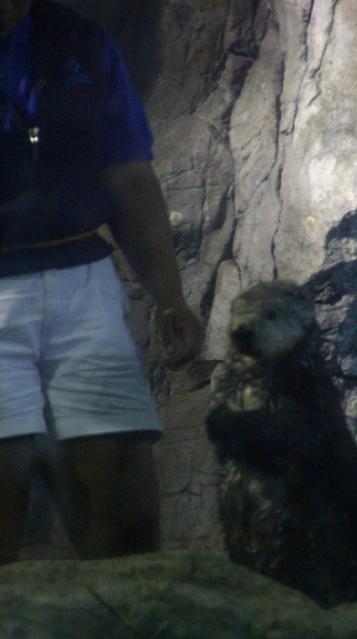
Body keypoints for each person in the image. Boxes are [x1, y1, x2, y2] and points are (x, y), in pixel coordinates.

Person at [0, 0, 203, 564]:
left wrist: (170, 296)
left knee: (122, 507)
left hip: (81, 282)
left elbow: (128, 174)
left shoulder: (78, 42)